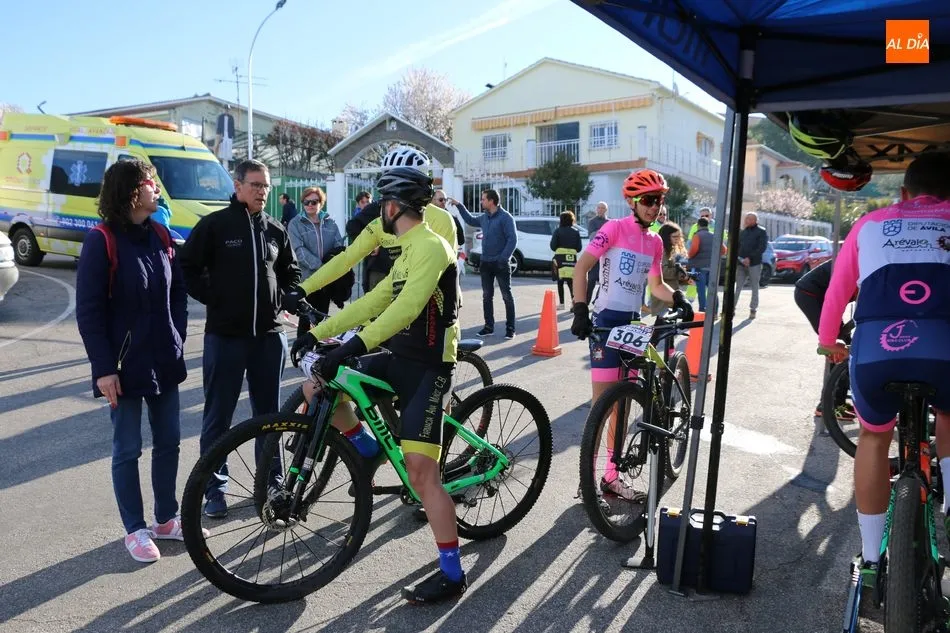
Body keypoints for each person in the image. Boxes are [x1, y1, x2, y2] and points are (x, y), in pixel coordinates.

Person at [290, 166, 466, 604]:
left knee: (421, 474)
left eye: (383, 203)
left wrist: (352, 346)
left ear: (395, 207)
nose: (378, 211)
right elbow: (374, 301)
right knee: (320, 387)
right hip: (397, 357)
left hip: (429, 367)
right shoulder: (404, 249)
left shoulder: (432, 247)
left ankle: (452, 573)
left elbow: (406, 308)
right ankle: (366, 447)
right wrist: (319, 333)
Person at [818, 151, 950, 595]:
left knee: (874, 437)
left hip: (877, 349)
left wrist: (828, 340)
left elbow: (837, 291)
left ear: (904, 193)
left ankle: (872, 557)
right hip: (945, 349)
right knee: (949, 415)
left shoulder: (869, 224)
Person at [75, 158, 192, 563]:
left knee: (169, 441)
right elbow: (89, 312)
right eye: (149, 182)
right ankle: (135, 529)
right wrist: (104, 369)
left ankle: (166, 519)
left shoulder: (161, 234)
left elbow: (178, 293)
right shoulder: (101, 240)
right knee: (127, 448)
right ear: (130, 191)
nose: (156, 188)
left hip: (164, 359)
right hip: (122, 368)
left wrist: (177, 336)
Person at [179, 159, 301, 519]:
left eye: (266, 186)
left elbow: (291, 272)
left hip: (268, 338)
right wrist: (214, 298)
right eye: (256, 185)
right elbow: (186, 266)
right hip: (225, 337)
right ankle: (214, 488)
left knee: (270, 417)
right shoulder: (215, 226)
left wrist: (286, 296)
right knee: (219, 417)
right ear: (238, 186)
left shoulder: (275, 229)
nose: (262, 192)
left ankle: (270, 482)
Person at [570, 168, 693, 499]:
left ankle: (612, 476)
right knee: (601, 407)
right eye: (648, 200)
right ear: (632, 202)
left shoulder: (655, 241)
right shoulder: (614, 228)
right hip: (607, 321)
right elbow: (581, 268)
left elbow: (656, 285)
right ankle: (587, 480)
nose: (655, 207)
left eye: (659, 201)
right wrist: (580, 309)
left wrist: (678, 297)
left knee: (623, 405)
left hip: (632, 325)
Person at [289, 146, 458, 304]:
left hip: (431, 309)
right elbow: (346, 259)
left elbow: (440, 278)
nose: (385, 199)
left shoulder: (443, 220)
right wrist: (303, 289)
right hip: (392, 293)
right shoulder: (381, 222)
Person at [794, 259, 855, 419]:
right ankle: (829, 406)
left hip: (820, 295)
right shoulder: (863, 262)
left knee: (846, 344)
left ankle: (837, 401)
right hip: (811, 295)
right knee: (839, 349)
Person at [454, 189, 518, 339]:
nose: (481, 201)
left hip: (501, 264)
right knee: (487, 296)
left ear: (491, 201)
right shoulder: (484, 217)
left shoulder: (506, 218)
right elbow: (470, 220)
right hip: (486, 263)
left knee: (507, 296)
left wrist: (503, 258)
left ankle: (510, 329)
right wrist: (459, 206)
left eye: (483, 199)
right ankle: (489, 327)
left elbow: (512, 240)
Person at [287, 186, 344, 336]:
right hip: (307, 279)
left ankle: (317, 346)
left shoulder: (330, 223)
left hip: (326, 279)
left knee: (321, 316)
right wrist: (321, 267)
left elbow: (339, 246)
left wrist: (332, 267)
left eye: (314, 201)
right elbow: (298, 250)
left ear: (321, 202)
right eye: (306, 202)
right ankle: (302, 348)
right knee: (306, 319)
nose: (310, 205)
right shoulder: (295, 223)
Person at [648, 222, 691, 317]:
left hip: (668, 296)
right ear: (666, 237)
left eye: (679, 236)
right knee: (662, 322)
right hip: (663, 298)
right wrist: (680, 273)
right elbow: (663, 272)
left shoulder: (669, 250)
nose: (677, 239)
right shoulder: (662, 250)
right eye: (674, 237)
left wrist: (683, 275)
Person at [687, 216, 726, 314]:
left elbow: (693, 250)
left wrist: (689, 256)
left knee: (701, 290)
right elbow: (724, 250)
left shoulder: (697, 235)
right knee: (713, 290)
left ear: (698, 225)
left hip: (700, 267)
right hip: (712, 267)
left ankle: (703, 311)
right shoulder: (714, 235)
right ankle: (715, 312)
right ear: (707, 225)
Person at [734, 212, 769, 320]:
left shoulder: (761, 231)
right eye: (746, 218)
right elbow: (738, 246)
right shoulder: (743, 232)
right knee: (737, 287)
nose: (747, 220)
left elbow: (762, 248)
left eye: (749, 219)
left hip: (754, 263)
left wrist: (749, 258)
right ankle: (732, 308)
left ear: (755, 220)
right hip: (741, 263)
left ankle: (753, 309)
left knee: (754, 287)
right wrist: (740, 258)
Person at [550, 210, 583, 306]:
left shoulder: (557, 231)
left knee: (560, 281)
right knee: (571, 282)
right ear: (572, 220)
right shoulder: (576, 232)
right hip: (571, 259)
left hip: (560, 259)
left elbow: (553, 246)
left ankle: (561, 304)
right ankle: (574, 303)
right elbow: (579, 248)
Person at [586, 202, 609, 303]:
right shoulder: (592, 221)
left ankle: (597, 300)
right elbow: (592, 237)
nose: (600, 210)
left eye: (602, 208)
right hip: (594, 255)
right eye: (599, 208)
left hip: (606, 254)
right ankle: (586, 302)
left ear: (606, 210)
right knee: (591, 280)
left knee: (605, 281)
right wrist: (605, 232)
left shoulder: (609, 222)